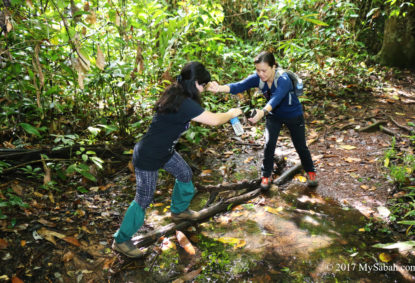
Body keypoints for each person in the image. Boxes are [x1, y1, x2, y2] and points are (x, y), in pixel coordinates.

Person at [112, 62, 242, 258]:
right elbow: (214, 120)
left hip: (165, 151)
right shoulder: (184, 102)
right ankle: (121, 241)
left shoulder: (178, 91)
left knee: (184, 174)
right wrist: (231, 113)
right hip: (148, 156)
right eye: (202, 85)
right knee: (143, 199)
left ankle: (179, 211)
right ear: (195, 82)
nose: (203, 90)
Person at [208, 51, 318, 189]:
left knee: (300, 146)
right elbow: (239, 86)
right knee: (269, 144)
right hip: (274, 116)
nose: (261, 74)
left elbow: (276, 98)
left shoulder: (284, 79)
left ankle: (311, 171)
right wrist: (219, 88)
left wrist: (263, 112)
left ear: (273, 67)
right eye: (258, 70)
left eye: (264, 70)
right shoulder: (259, 78)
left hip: (293, 114)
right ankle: (266, 175)